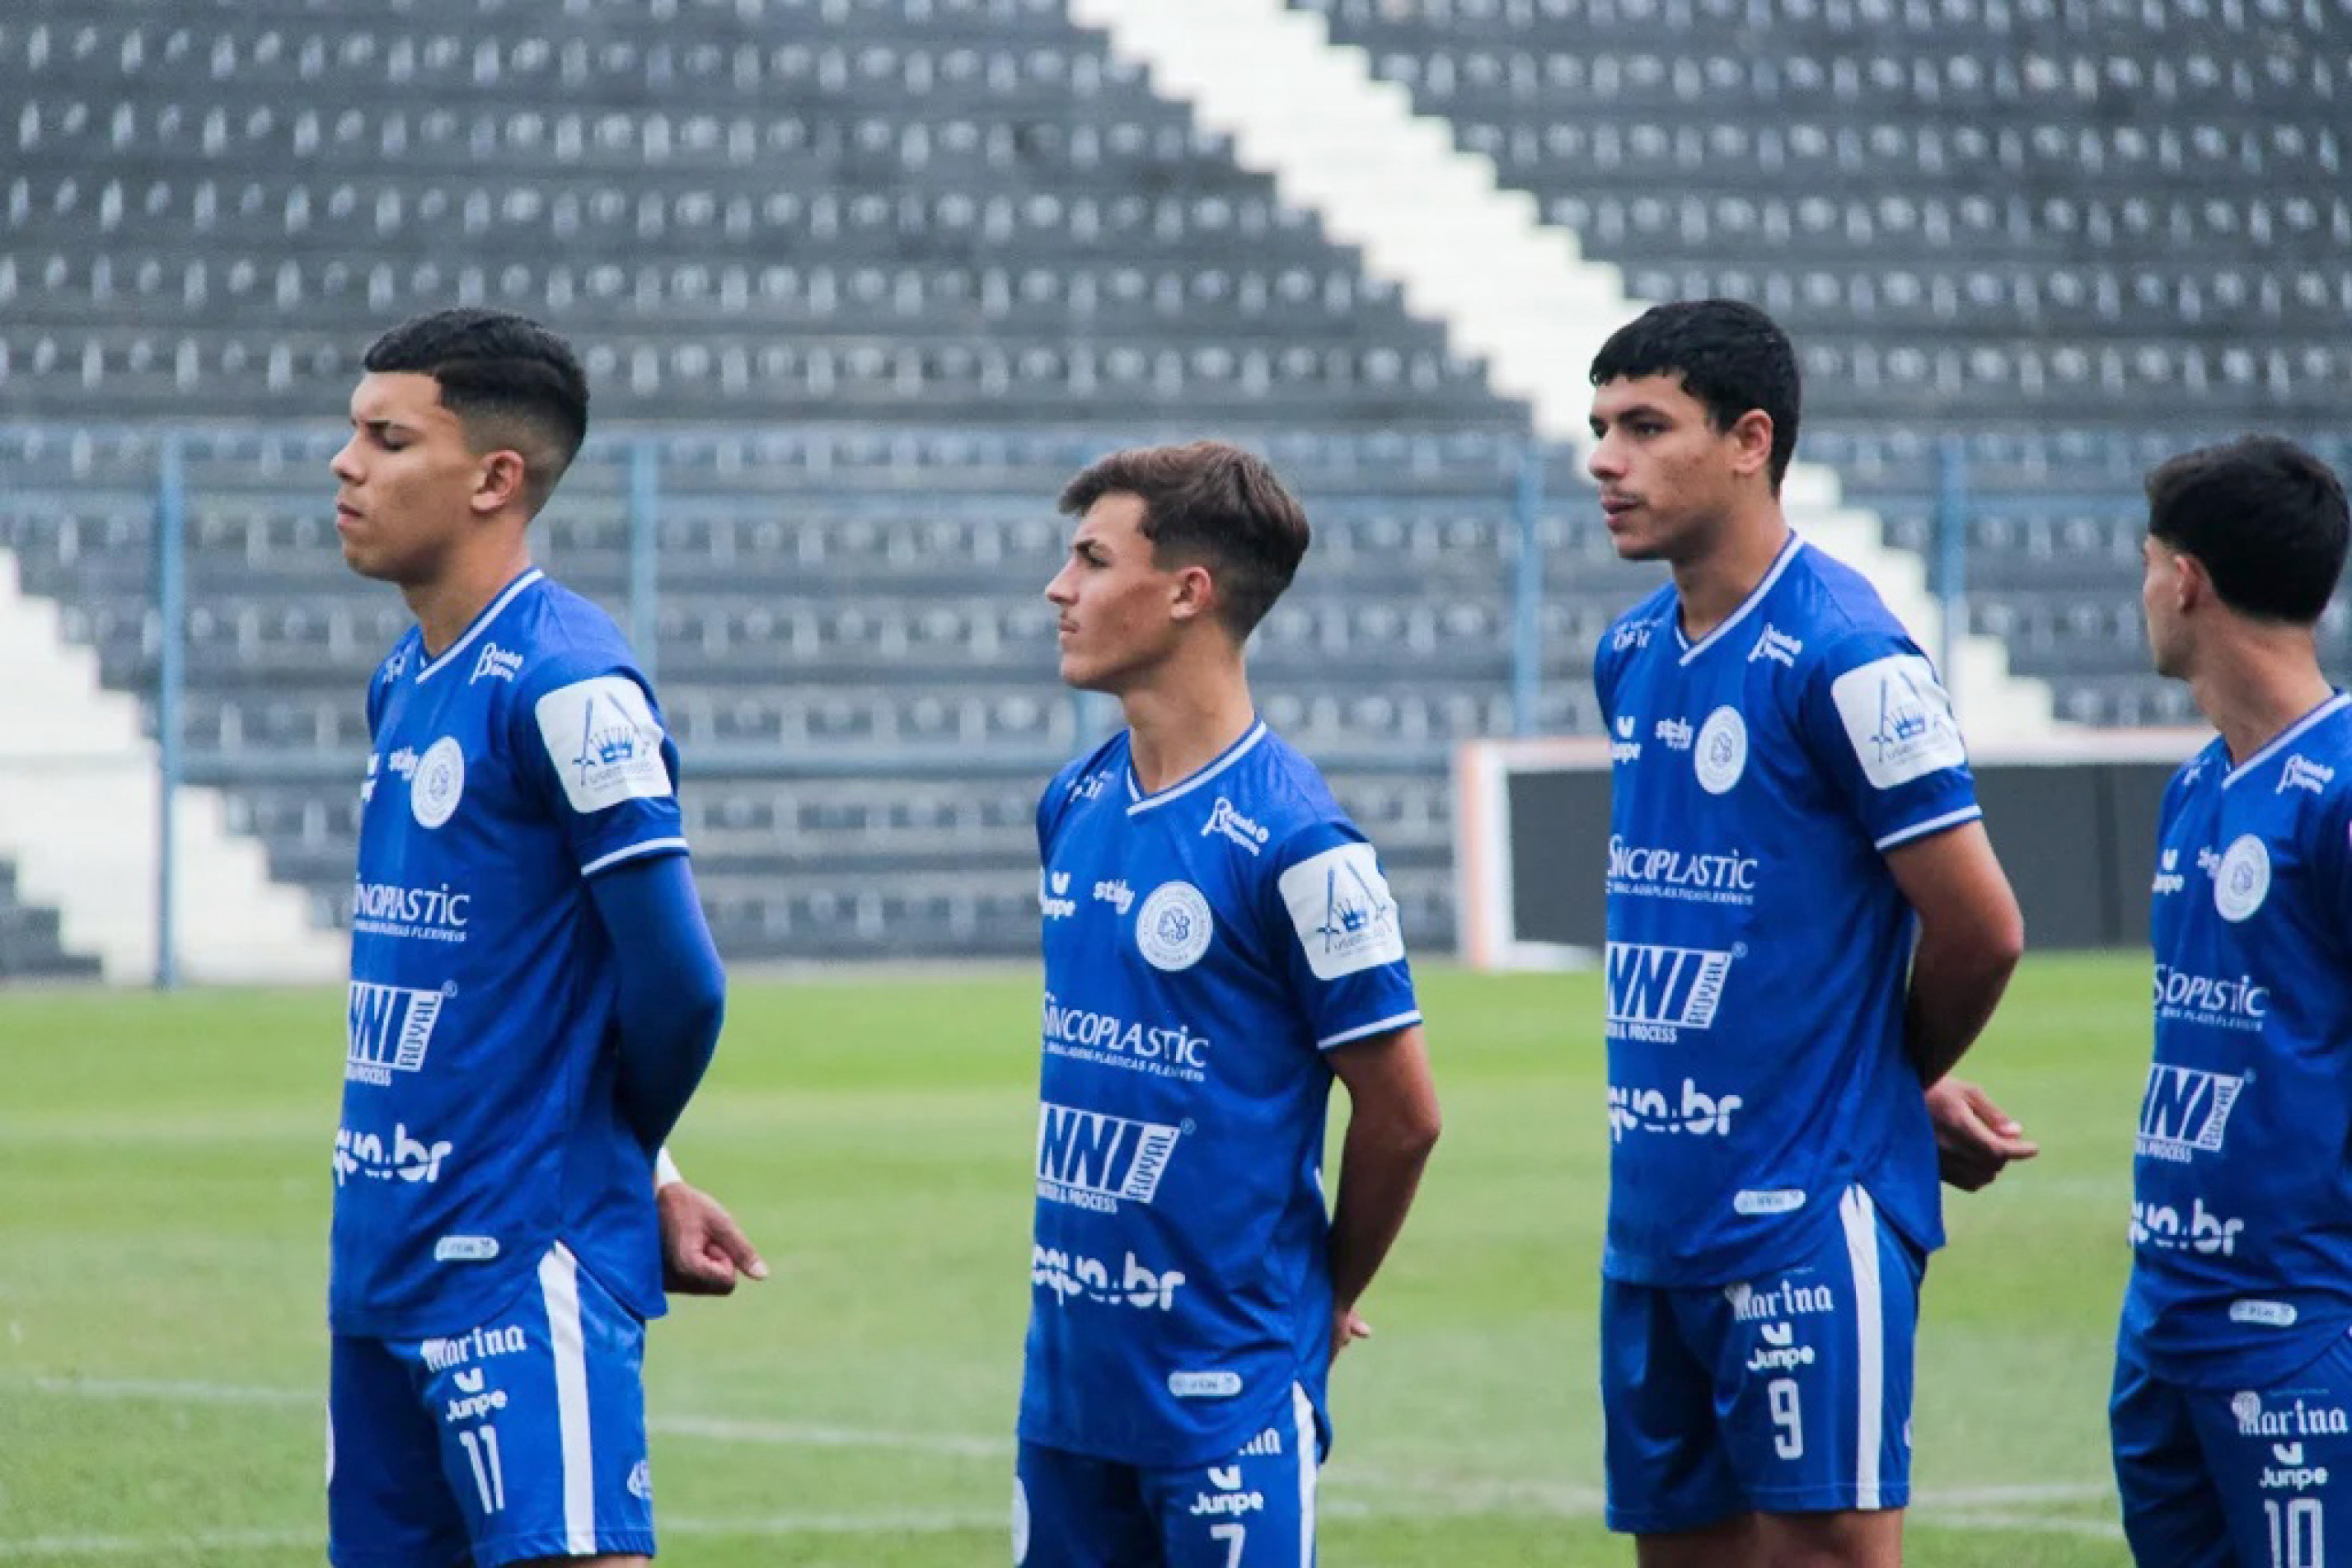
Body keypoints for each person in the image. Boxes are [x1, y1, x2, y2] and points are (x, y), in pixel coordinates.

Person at [1586, 299, 2033, 1566]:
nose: (1603, 460)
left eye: (1643, 426)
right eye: (1598, 427)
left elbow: (1981, 927)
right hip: (1654, 1216)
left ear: (1749, 441)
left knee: (1827, 1548)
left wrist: (1886, 1081)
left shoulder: (1842, 654)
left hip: (1801, 1208)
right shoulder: (1632, 652)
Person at [327, 307, 732, 1568]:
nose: (346, 465)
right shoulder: (410, 676)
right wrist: (660, 1179)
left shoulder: (568, 686)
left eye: (388, 439)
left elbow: (680, 982)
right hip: (383, 1251)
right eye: (352, 434)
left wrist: (611, 1165)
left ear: (497, 479)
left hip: (518, 1258)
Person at [1015, 441, 1443, 1565]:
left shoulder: (1300, 845)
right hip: (1065, 1393)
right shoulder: (1076, 797)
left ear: (1186, 593)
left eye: (1091, 560)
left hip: (1223, 1395)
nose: (1059, 590)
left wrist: (1320, 1296)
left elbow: (1404, 1115)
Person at [2110, 436, 2352, 1566]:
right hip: (2165, 1315)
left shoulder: (2340, 792)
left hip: (2302, 1326)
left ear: (2185, 580)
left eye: (2146, 562)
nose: (2142, 589)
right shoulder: (2198, 785)